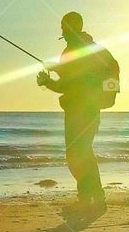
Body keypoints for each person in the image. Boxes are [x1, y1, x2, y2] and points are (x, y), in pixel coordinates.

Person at [37, 11, 118, 216]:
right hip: (86, 108)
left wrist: (52, 77)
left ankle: (92, 200)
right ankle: (92, 199)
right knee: (81, 153)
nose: (62, 31)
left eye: (64, 26)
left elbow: (71, 83)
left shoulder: (75, 50)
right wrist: (50, 80)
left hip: (81, 110)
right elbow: (70, 84)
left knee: (78, 155)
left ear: (71, 27)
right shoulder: (93, 49)